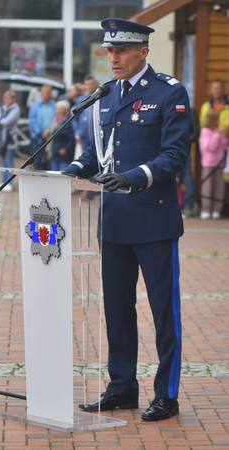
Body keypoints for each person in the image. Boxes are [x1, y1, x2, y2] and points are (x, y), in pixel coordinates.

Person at [63, 18, 190, 421]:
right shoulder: (104, 95)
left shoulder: (169, 93)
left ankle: (166, 395)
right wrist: (69, 169)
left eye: (120, 51)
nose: (112, 58)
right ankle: (122, 388)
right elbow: (98, 155)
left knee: (162, 311)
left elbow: (173, 156)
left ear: (143, 52)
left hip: (153, 219)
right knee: (117, 308)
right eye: (109, 51)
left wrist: (132, 178)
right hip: (114, 220)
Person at [198, 109, 228, 219]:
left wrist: (223, 137)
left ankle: (217, 209)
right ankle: (206, 209)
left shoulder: (218, 130)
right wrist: (217, 136)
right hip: (208, 162)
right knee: (207, 186)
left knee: (219, 187)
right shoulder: (205, 131)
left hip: (219, 163)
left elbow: (224, 146)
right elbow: (210, 147)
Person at [0, 90, 21, 192]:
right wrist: (1, 124)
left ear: (13, 99)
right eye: (5, 98)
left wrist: (0, 123)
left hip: (9, 141)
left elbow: (8, 121)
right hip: (0, 141)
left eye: (9, 98)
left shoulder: (15, 109)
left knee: (9, 162)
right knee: (2, 162)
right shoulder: (1, 108)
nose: (6, 100)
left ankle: (9, 183)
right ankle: (3, 182)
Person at [28, 84, 56, 170]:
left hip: (51, 136)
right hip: (38, 137)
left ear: (51, 93)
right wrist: (40, 133)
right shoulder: (35, 106)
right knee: (37, 161)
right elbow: (32, 121)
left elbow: (57, 120)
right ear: (41, 93)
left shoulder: (55, 105)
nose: (46, 94)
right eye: (44, 92)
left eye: (48, 92)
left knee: (50, 161)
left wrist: (50, 131)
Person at [47, 100, 75, 171]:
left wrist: (66, 148)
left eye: (57, 108)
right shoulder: (55, 120)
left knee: (62, 173)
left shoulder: (67, 121)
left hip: (63, 154)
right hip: (54, 151)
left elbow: (71, 137)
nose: (55, 109)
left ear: (62, 110)